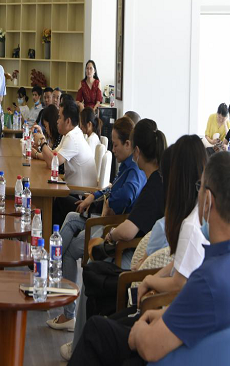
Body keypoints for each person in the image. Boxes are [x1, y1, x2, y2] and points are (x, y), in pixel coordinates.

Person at [69, 151, 230, 366]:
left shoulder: (209, 280)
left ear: (207, 200)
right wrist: (163, 318)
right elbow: (200, 313)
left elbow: (149, 348)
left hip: (178, 357)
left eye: (199, 187)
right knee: (104, 328)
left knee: (96, 332)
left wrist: (139, 332)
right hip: (209, 350)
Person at [47, 116, 146, 331]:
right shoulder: (127, 165)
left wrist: (108, 202)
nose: (113, 149)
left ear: (128, 144)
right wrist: (96, 196)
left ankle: (65, 306)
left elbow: (123, 197)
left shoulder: (134, 171)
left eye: (116, 145)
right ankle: (49, 271)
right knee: (71, 217)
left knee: (69, 250)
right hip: (103, 216)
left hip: (109, 226)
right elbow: (112, 188)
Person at [81, 120, 167, 319]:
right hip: (145, 250)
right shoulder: (159, 179)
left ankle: (84, 331)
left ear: (136, 151)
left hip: (138, 255)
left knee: (91, 270)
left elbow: (128, 231)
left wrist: (111, 235)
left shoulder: (153, 186)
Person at [135, 135, 209, 303]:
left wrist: (149, 280)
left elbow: (178, 285)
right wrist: (153, 278)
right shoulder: (201, 213)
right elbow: (179, 264)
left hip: (179, 308)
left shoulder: (190, 225)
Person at [51, 99, 97, 227]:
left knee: (56, 199)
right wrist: (38, 153)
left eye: (59, 117)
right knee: (55, 195)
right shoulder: (70, 134)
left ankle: (51, 235)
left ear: (68, 121)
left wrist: (42, 143)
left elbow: (53, 161)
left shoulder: (73, 137)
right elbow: (53, 154)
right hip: (75, 191)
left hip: (82, 197)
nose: (57, 121)